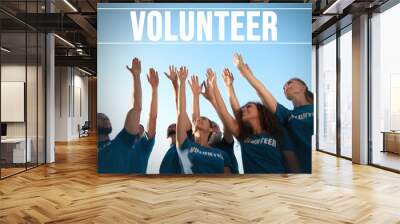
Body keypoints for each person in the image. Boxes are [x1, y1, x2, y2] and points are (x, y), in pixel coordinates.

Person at [233, 53, 311, 173]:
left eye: (289, 83)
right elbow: (262, 92)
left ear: (303, 87)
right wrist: (245, 73)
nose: (285, 87)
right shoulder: (287, 115)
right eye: (283, 87)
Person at [203, 67, 286, 173]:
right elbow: (224, 111)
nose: (244, 109)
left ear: (261, 112)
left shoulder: (276, 132)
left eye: (249, 106)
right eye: (244, 108)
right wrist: (215, 85)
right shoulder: (243, 136)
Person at [97, 57, 158, 174]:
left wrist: (138, 78)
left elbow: (145, 113)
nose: (105, 118)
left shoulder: (123, 142)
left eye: (105, 117)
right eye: (100, 117)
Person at [175, 66, 233, 174]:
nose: (199, 119)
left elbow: (227, 179)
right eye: (198, 119)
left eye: (204, 119)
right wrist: (182, 82)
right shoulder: (186, 144)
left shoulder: (222, 154)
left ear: (211, 129)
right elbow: (181, 111)